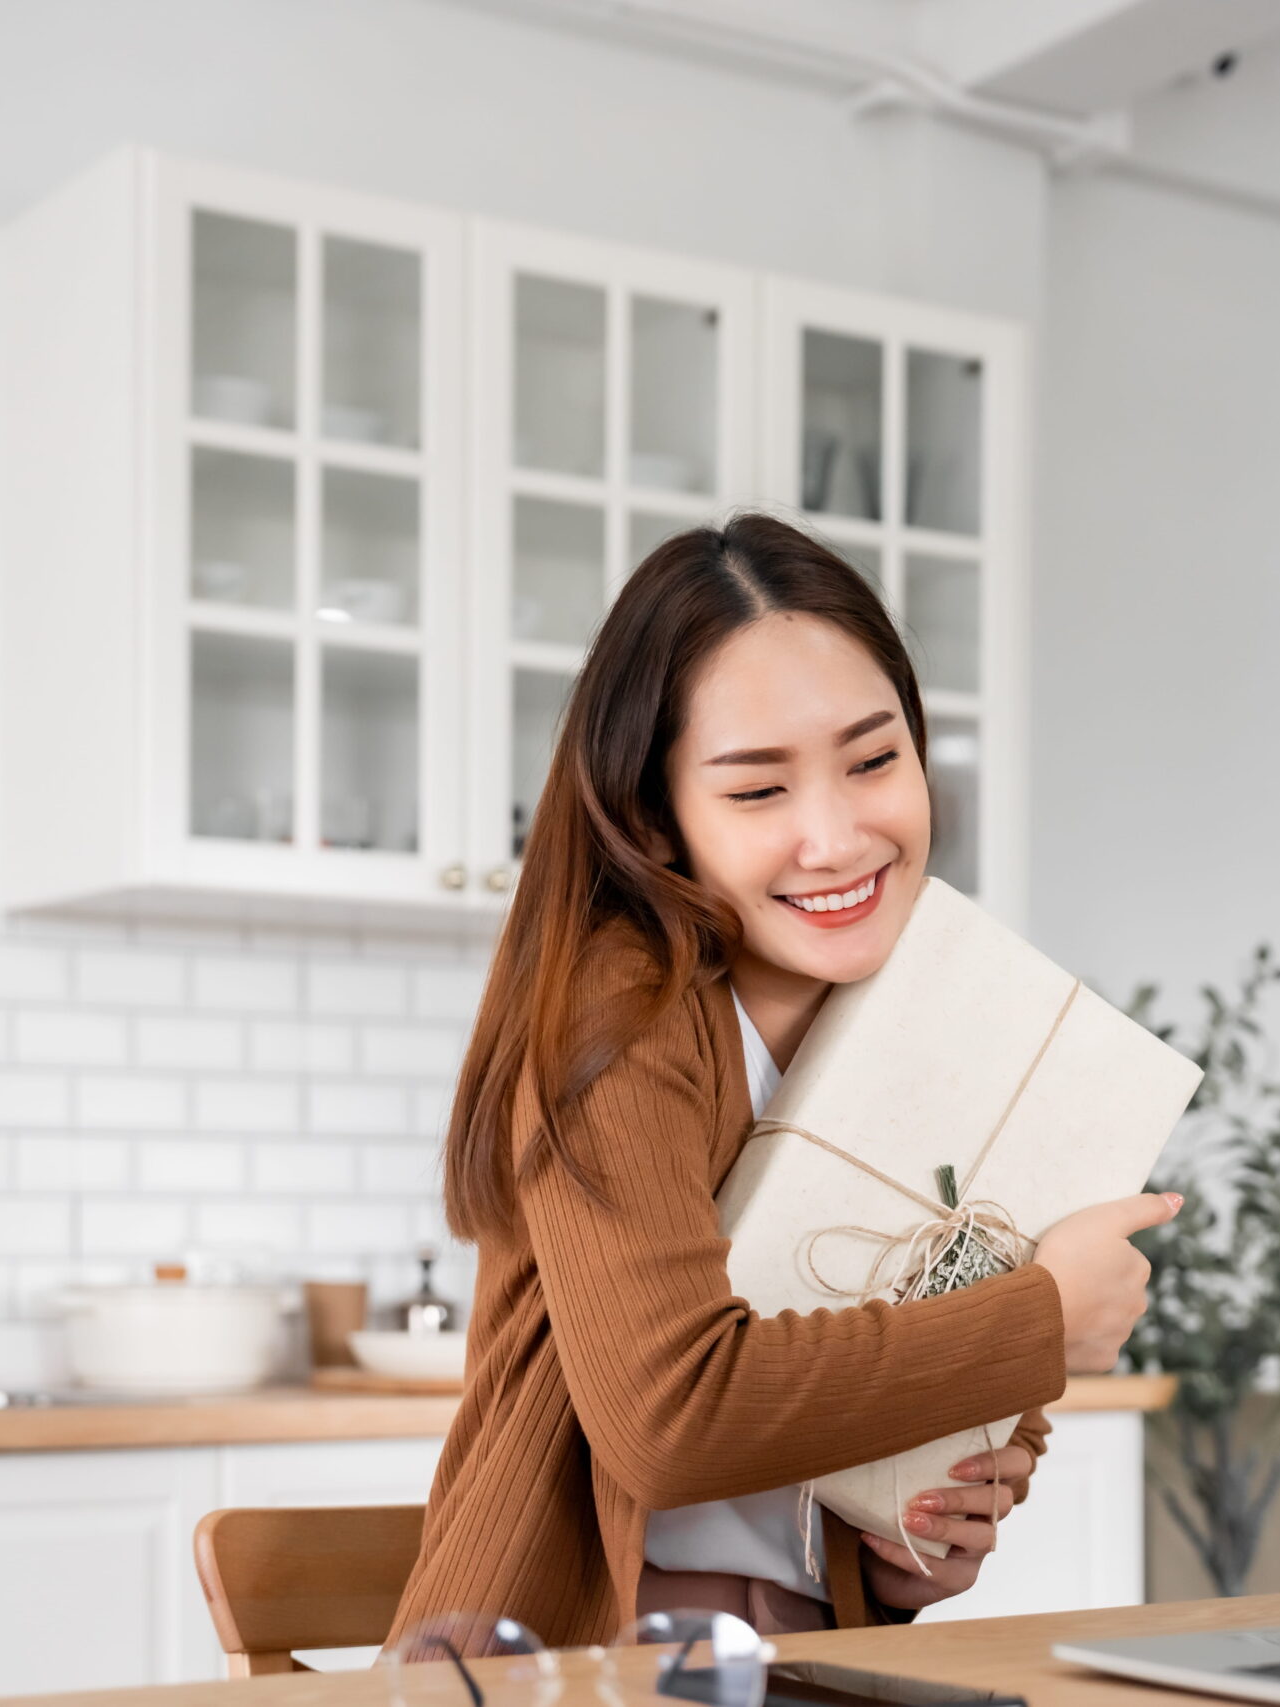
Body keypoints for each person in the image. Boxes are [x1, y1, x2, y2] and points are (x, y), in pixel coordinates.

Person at [389, 513, 1178, 1646]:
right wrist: (1041, 1321)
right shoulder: (621, 1010)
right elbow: (671, 1419)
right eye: (758, 791)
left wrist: (920, 1541)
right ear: (659, 818)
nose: (835, 838)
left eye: (874, 760)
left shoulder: (933, 1011)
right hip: (587, 1665)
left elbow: (912, 1387)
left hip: (811, 1653)